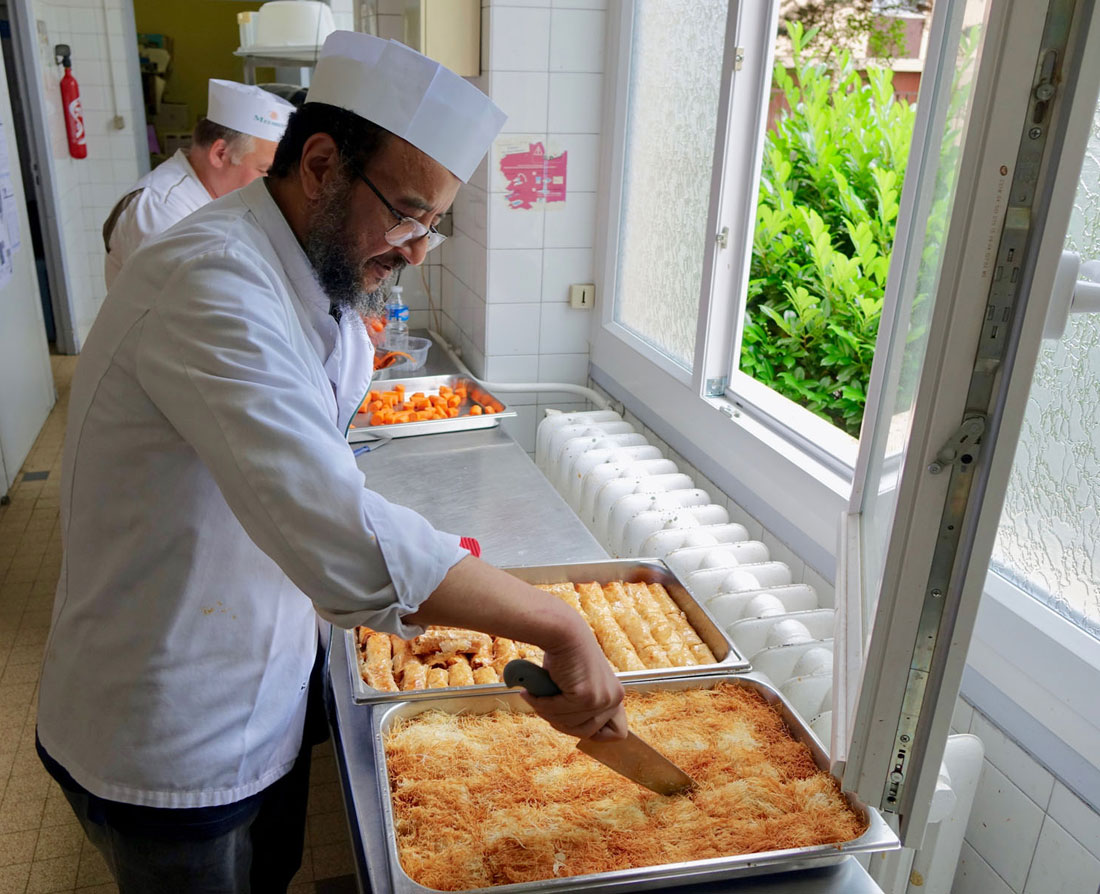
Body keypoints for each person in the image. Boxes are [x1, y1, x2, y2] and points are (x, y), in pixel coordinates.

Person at [36, 31, 626, 894]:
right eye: (407, 211)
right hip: (168, 725)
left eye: (436, 222)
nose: (420, 248)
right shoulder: (210, 282)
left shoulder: (310, 283)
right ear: (320, 165)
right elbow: (342, 537)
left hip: (261, 672)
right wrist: (558, 623)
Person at [103, 79, 296, 288]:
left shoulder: (223, 197)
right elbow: (188, 300)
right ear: (220, 154)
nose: (272, 184)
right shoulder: (159, 208)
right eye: (264, 171)